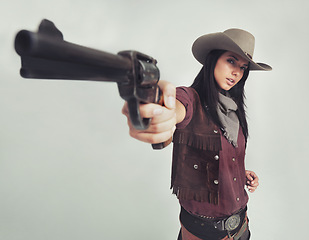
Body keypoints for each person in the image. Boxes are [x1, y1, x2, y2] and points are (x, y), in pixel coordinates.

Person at [122, 28, 272, 240]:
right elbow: (174, 108)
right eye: (231, 61)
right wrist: (158, 112)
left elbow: (219, 156)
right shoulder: (189, 98)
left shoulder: (234, 109)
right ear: (213, 60)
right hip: (203, 233)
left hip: (241, 227)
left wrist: (238, 173)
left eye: (243, 67)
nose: (237, 72)